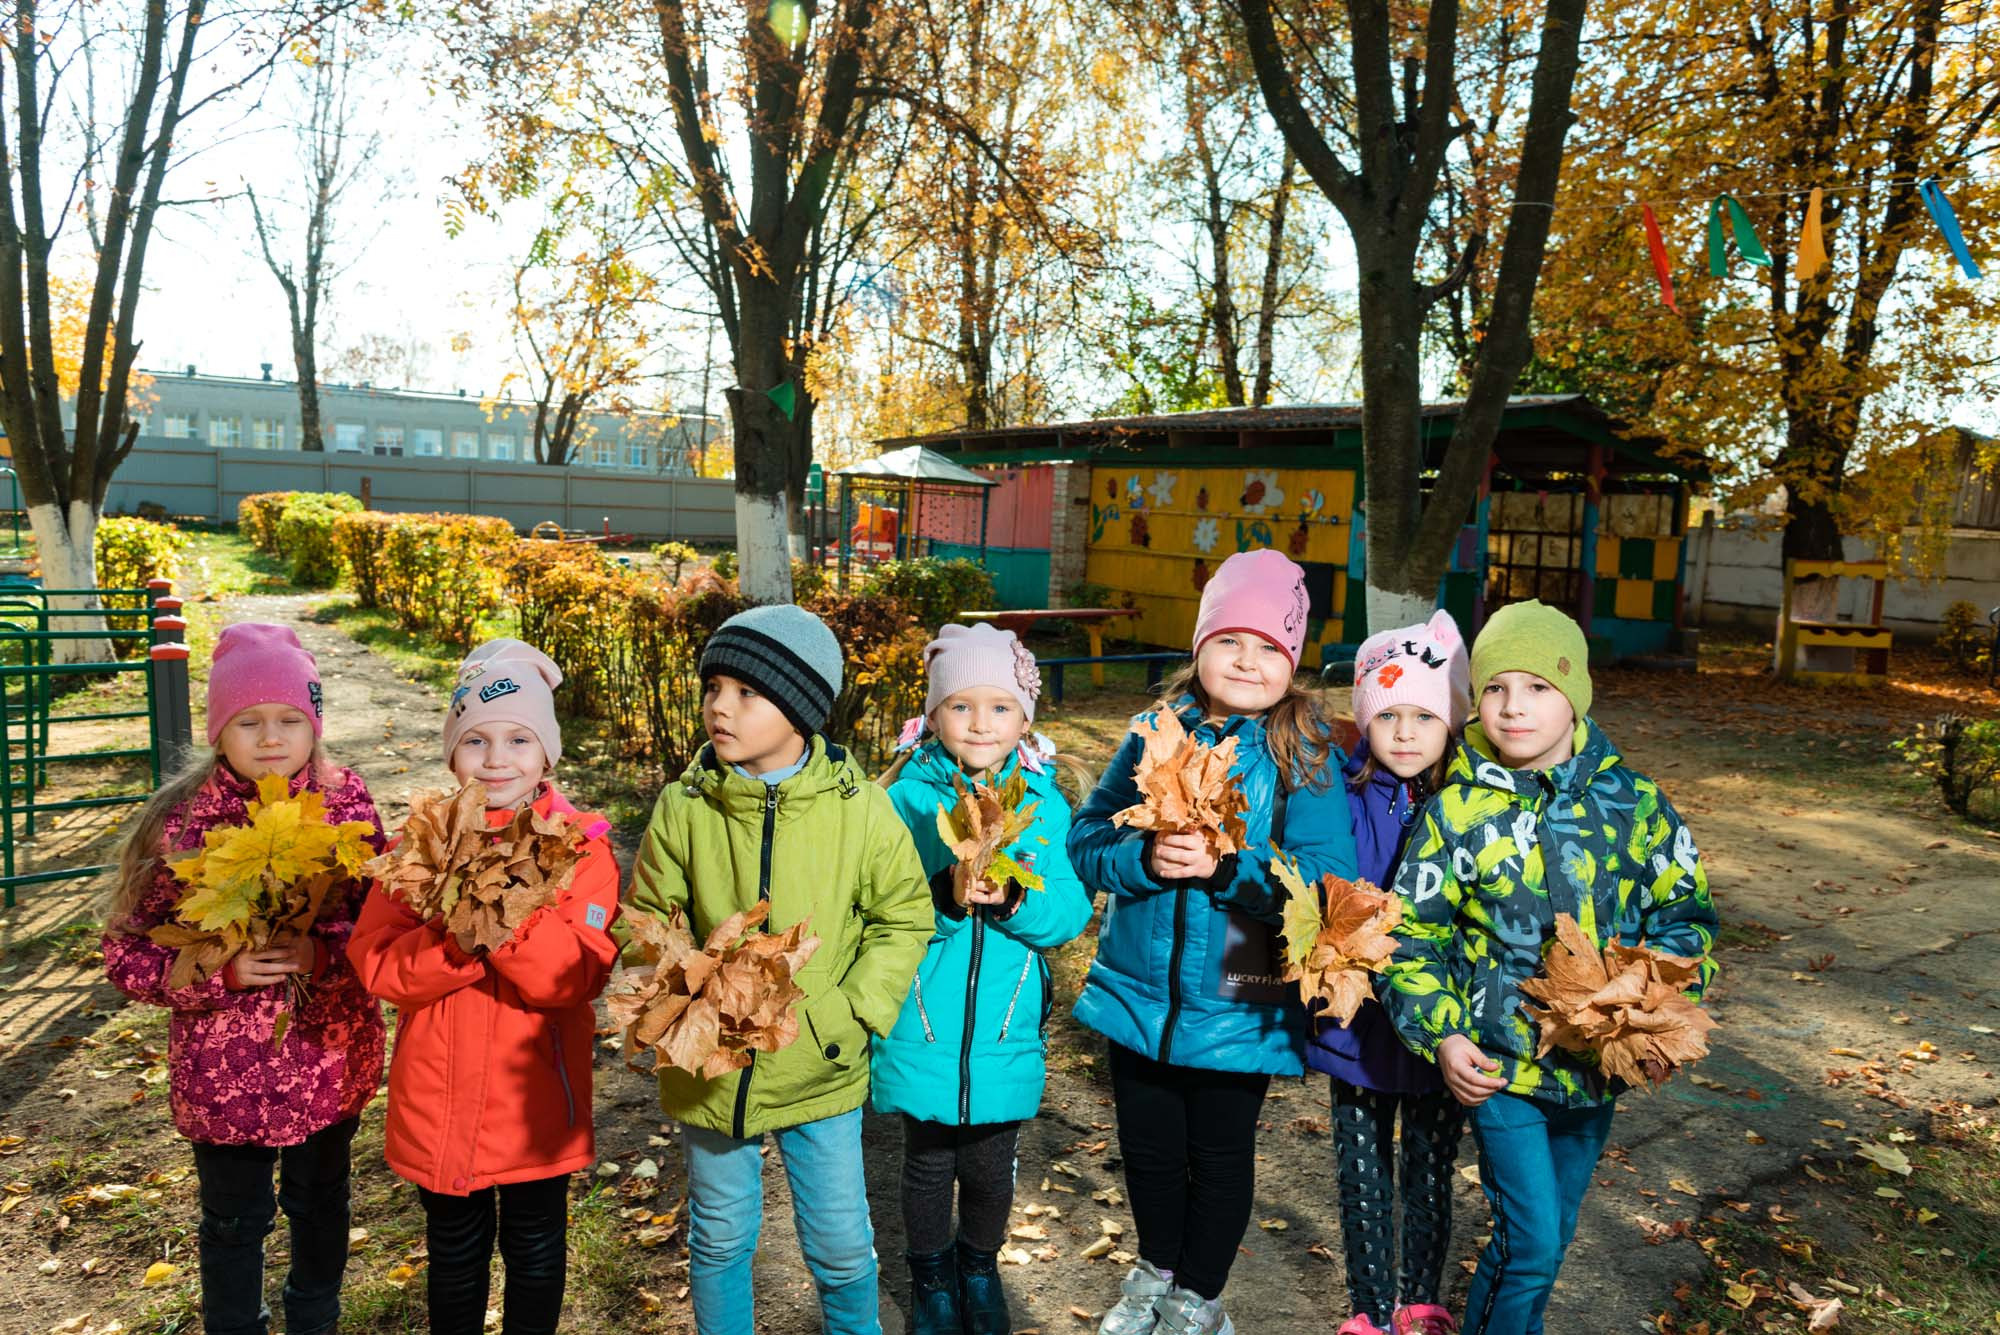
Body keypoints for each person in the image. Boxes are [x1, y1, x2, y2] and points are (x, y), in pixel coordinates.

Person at [1378, 600, 1719, 1335]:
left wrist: (1658, 1001)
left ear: (1576, 697)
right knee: (1529, 1243)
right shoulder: (1456, 812)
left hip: (1597, 1068)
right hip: (1502, 1067)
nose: (1513, 707)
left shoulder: (1637, 805)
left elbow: (1686, 912)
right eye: (1497, 687)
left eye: (1538, 687)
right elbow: (1408, 937)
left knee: (1550, 1240)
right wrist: (1442, 1034)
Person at [1070, 549, 1358, 1335]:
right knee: (1150, 1148)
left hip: (1243, 996)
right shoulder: (1150, 735)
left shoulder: (1303, 750)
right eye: (1231, 638)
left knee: (1221, 1154)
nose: (1248, 659)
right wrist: (1141, 858)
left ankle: (1199, 1296)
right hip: (1139, 989)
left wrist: (1230, 866)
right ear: (1199, 645)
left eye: (1270, 646)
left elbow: (1328, 881)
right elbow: (1086, 838)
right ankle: (1155, 1273)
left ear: (1293, 662)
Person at [623, 605, 931, 1335]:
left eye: (745, 692)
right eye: (713, 686)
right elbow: (649, 918)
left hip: (817, 1064)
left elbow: (905, 914)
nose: (719, 705)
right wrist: (683, 983)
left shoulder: (860, 812)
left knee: (841, 1243)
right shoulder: (684, 807)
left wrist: (849, 1011)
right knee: (721, 1235)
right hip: (713, 1067)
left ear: (799, 710)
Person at [103, 622, 386, 1335]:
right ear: (216, 729)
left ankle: (313, 1315)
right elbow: (127, 954)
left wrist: (321, 958)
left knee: (322, 1202)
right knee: (233, 1220)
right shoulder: (181, 822)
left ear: (314, 724)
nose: (270, 737)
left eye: (291, 719)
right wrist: (217, 974)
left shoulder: (345, 804)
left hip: (325, 1057)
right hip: (224, 1083)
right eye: (248, 721)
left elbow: (379, 926)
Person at [349, 639, 621, 1335]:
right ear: (452, 752)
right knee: (454, 1251)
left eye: (518, 738)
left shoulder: (580, 848)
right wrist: (456, 945)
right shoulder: (422, 841)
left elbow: (576, 974)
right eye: (475, 739)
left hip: (535, 1101)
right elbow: (378, 962)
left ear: (547, 752)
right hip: (440, 1100)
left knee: (534, 1246)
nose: (497, 758)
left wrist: (501, 924)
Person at [874, 623, 1092, 1334]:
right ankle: (931, 1276)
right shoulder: (908, 801)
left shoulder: (1043, 804)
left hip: (1005, 1024)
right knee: (929, 1163)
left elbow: (1069, 909)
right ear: (933, 715)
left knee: (993, 1168)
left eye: (1000, 706)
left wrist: (1018, 900)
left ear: (1025, 719)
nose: (980, 722)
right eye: (961, 705)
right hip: (924, 1021)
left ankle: (978, 1265)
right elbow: (880, 901)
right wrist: (942, 894)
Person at [1313, 610, 1471, 1335]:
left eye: (1424, 715)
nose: (1406, 732)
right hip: (1359, 1019)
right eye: (1389, 715)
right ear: (1364, 721)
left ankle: (1421, 1297)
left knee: (1429, 1168)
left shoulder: (1470, 806)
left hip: (1439, 1022)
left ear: (1451, 722)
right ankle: (1369, 1308)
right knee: (1363, 1168)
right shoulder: (1339, 799)